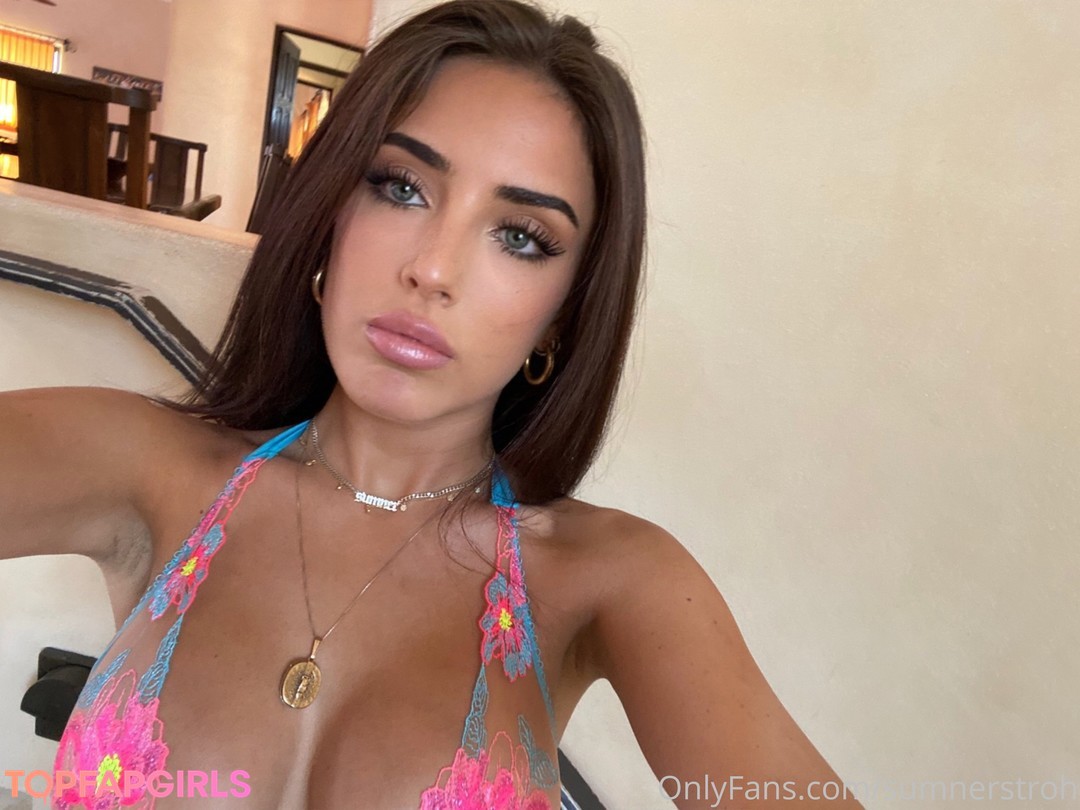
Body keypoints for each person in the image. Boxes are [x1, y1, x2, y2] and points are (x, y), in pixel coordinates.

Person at [0, 1, 865, 808]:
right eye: (400, 186)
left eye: (521, 237)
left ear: (564, 314)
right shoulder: (146, 466)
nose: (433, 269)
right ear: (329, 214)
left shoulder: (613, 581)